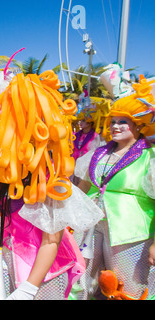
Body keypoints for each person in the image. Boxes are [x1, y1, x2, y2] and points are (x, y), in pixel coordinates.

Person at [0, 70, 103, 300]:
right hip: (5, 260)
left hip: (43, 274)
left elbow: (51, 240)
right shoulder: (2, 169)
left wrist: (30, 288)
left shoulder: (50, 179)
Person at [74, 77, 155, 299]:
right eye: (113, 122)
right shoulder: (98, 154)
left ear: (138, 124)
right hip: (90, 228)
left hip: (130, 233)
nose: (115, 126)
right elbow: (82, 189)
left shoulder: (151, 156)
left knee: (129, 289)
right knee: (79, 284)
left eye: (123, 122)